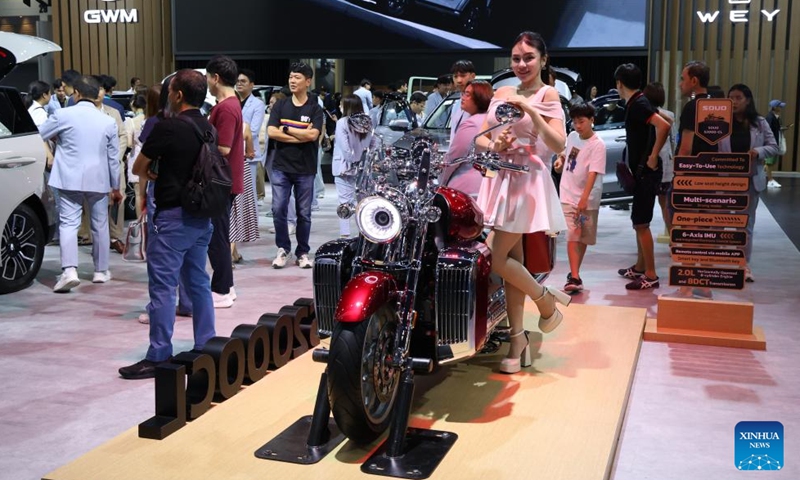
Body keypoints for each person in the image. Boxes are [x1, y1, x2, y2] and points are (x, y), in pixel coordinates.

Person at [474, 32, 570, 374]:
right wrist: (495, 144)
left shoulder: (549, 94)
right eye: (516, 58)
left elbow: (558, 144)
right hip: (500, 178)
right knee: (509, 262)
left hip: (528, 181)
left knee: (492, 256)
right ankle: (518, 340)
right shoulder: (501, 92)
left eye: (529, 57)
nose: (522, 64)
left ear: (543, 59)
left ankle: (546, 304)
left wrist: (531, 109)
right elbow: (483, 138)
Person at [120, 69, 217, 380]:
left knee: (163, 288)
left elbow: (139, 167)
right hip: (202, 216)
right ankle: (207, 345)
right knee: (199, 283)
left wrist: (158, 176)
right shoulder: (208, 127)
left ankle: (159, 354)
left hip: (172, 217)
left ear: (177, 95)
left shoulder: (168, 127)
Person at [38, 75, 121, 292]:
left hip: (68, 178)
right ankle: (101, 271)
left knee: (68, 224)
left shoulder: (62, 114)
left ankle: (69, 271)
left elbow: (40, 135)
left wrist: (57, 139)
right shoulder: (108, 121)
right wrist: (116, 186)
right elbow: (114, 159)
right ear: (97, 96)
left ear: (76, 94)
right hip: (99, 179)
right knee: (100, 225)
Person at [614, 64, 670, 290]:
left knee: (642, 224)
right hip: (643, 173)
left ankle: (651, 274)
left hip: (647, 174)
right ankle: (639, 267)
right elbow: (668, 120)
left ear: (619, 83)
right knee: (639, 222)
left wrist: (654, 155)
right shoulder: (640, 102)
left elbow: (664, 125)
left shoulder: (638, 103)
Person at [718, 84, 778, 283]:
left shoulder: (759, 123)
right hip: (725, 181)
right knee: (721, 222)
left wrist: (757, 152)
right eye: (731, 97)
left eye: (738, 98)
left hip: (750, 181)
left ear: (748, 100)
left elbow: (773, 147)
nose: (734, 102)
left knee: (745, 225)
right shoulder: (720, 122)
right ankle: (719, 260)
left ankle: (743, 264)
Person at [267, 62, 324, 269]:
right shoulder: (281, 105)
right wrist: (300, 135)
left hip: (305, 168)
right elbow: (272, 132)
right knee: (278, 208)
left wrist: (288, 130)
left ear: (308, 81)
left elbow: (313, 135)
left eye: (297, 77)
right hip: (281, 167)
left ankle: (302, 252)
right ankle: (283, 248)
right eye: (291, 77)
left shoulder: (315, 109)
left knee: (304, 213)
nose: (292, 80)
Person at [206, 55, 246, 308]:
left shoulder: (227, 108)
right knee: (218, 234)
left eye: (208, 78)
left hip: (221, 181)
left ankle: (221, 290)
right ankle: (227, 287)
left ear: (216, 78)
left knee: (216, 236)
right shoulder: (230, 105)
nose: (207, 83)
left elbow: (222, 148)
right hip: (225, 180)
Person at [553, 103, 606, 293]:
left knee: (582, 237)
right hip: (568, 194)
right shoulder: (573, 136)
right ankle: (575, 277)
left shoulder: (597, 145)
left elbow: (593, 173)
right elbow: (567, 154)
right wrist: (560, 161)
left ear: (592, 120)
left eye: (582, 121)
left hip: (588, 198)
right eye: (575, 121)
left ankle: (574, 273)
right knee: (573, 234)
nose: (578, 125)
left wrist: (584, 198)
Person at [333, 95, 376, 237]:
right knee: (363, 203)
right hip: (363, 170)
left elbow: (345, 148)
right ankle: (364, 234)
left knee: (345, 203)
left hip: (344, 168)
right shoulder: (368, 123)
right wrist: (364, 161)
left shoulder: (342, 122)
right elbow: (374, 144)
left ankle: (345, 235)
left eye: (341, 104)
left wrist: (352, 160)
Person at [441, 80, 492, 197]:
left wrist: (441, 182)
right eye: (464, 93)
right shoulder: (491, 120)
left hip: (465, 187)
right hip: (487, 183)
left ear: (479, 98)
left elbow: (453, 160)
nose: (463, 97)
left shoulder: (471, 124)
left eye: (468, 94)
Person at [643, 82, 676, 234]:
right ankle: (673, 239)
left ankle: (643, 240)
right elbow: (673, 140)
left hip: (650, 162)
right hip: (667, 163)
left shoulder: (645, 113)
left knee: (645, 205)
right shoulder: (669, 114)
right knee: (665, 204)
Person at [236, 68, 267, 205]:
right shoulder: (232, 101)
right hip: (234, 152)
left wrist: (231, 134)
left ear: (251, 84)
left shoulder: (257, 104)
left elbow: (253, 131)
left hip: (249, 153)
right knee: (236, 193)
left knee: (250, 192)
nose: (239, 84)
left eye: (243, 81)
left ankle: (252, 224)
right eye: (237, 81)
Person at [449, 60, 477, 146]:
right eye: (455, 76)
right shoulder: (456, 105)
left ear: (472, 76)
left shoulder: (480, 102)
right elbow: (453, 133)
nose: (459, 80)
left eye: (463, 76)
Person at [764, 99, 786, 188]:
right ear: (775, 107)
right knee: (769, 163)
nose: (781, 108)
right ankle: (770, 181)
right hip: (770, 143)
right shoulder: (770, 117)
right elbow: (767, 130)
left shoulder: (775, 117)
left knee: (770, 163)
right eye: (779, 106)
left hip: (773, 143)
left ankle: (766, 178)